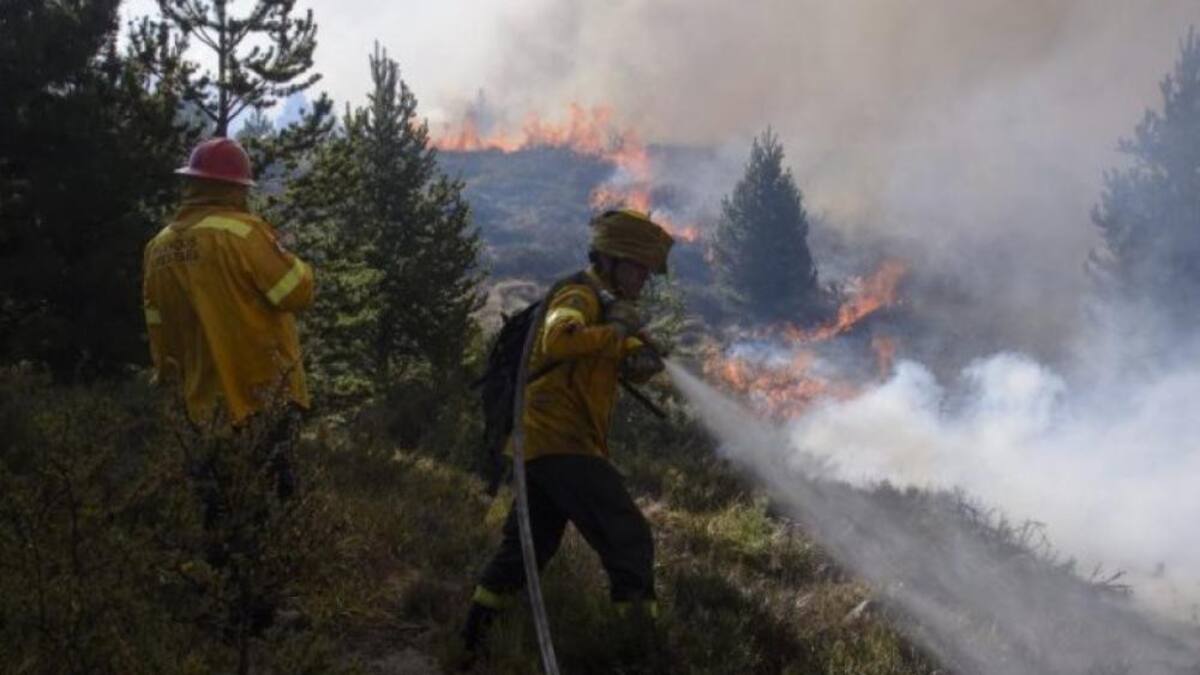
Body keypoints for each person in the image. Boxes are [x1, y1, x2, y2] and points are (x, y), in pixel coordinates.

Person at [461, 208, 674, 654]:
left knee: (528, 547)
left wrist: (639, 356)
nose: (644, 279)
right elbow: (558, 340)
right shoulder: (579, 296)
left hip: (541, 443)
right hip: (562, 441)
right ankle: (639, 650)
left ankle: (472, 641)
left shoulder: (605, 305)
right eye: (639, 268)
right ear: (613, 260)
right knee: (628, 536)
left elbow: (615, 356)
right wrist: (617, 330)